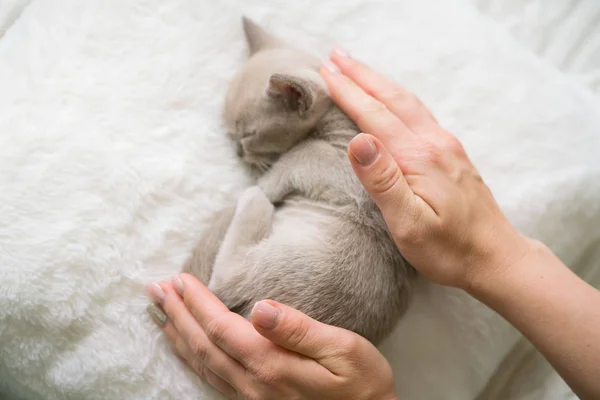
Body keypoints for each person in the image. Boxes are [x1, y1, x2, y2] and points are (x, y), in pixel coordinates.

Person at [146, 48, 600, 400]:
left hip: (277, 290)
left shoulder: (313, 157)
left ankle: (226, 279)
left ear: (298, 99)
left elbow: (273, 190)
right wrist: (504, 257)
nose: (244, 155)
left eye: (247, 139)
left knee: (255, 205)